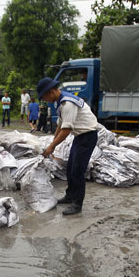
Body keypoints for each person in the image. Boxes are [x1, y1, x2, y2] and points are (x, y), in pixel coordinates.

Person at [38, 77, 98, 216]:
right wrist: (53, 140)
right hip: (80, 136)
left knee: (77, 170)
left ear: (51, 91)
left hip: (87, 136)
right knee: (70, 167)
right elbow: (60, 124)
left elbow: (66, 129)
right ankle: (70, 196)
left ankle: (77, 204)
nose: (44, 100)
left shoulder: (67, 103)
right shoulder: (59, 102)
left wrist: (52, 147)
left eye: (44, 96)